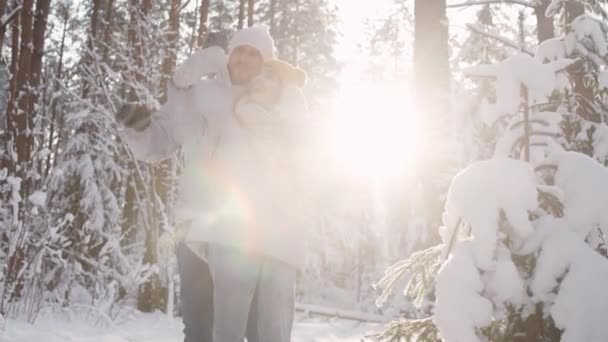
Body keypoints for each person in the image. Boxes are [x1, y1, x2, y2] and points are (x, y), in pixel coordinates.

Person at [115, 25, 308, 342]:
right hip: (195, 227)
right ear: (228, 54)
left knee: (252, 329)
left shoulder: (269, 105)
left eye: (254, 54)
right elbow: (160, 142)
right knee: (200, 328)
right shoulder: (201, 96)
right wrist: (137, 127)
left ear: (266, 64)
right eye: (239, 51)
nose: (244, 59)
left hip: (250, 236)